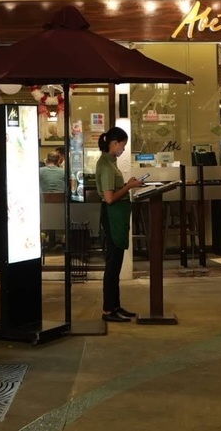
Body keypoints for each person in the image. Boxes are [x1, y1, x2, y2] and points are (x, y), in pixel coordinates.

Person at [95, 127, 143, 323]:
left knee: (116, 264)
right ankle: (108, 310)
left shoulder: (110, 162)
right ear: (114, 143)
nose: (123, 149)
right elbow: (109, 198)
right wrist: (129, 186)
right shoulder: (106, 165)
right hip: (112, 216)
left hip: (116, 216)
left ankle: (115, 306)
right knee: (113, 265)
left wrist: (127, 185)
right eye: (123, 145)